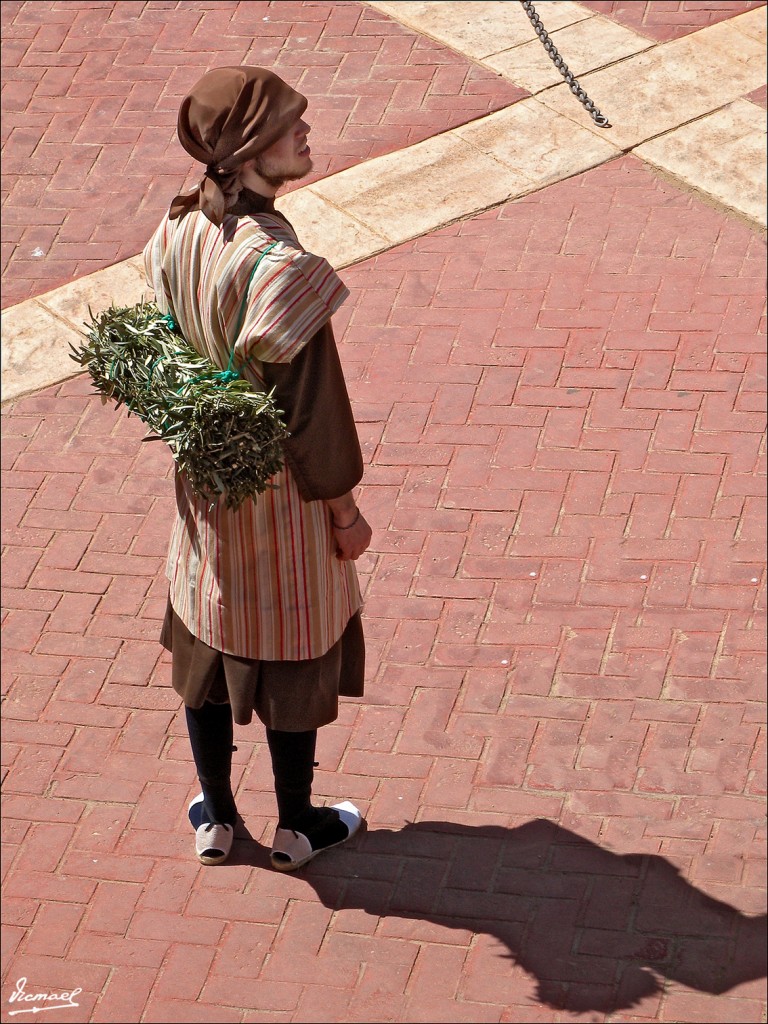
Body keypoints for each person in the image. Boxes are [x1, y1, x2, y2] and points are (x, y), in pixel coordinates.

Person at [143, 66, 372, 870]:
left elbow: (159, 345)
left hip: (205, 490)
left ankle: (217, 818)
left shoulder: (177, 229)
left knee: (207, 632)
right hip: (279, 501)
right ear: (245, 151)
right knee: (293, 649)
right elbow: (315, 418)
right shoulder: (281, 267)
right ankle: (299, 827)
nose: (305, 132)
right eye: (287, 125)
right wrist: (345, 514)